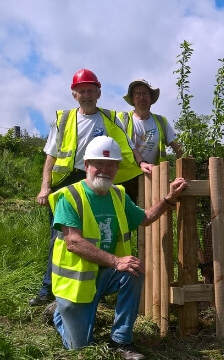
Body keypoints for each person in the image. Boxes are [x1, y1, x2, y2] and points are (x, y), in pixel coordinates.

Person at [45, 135, 188, 360]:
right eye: (99, 164)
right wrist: (116, 261)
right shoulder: (69, 197)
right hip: (76, 286)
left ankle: (121, 340)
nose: (104, 169)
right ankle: (59, 315)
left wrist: (169, 199)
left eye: (110, 165)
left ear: (117, 168)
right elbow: (73, 242)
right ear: (87, 166)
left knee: (133, 270)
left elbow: (145, 217)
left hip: (103, 276)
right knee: (81, 349)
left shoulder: (118, 195)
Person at [30, 68, 152, 307]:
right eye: (81, 90)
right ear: (74, 94)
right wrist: (45, 187)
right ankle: (49, 290)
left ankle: (98, 287)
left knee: (98, 234)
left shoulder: (110, 118)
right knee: (60, 238)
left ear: (99, 92)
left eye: (90, 90)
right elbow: (51, 156)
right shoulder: (64, 119)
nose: (86, 95)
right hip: (67, 181)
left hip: (96, 179)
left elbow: (128, 145)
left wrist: (142, 163)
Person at [117, 79, 183, 202]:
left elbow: (178, 148)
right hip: (126, 181)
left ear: (151, 98)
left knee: (153, 217)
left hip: (153, 178)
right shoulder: (121, 119)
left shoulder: (161, 121)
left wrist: (189, 163)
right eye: (137, 94)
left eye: (145, 93)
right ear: (132, 99)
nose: (141, 97)